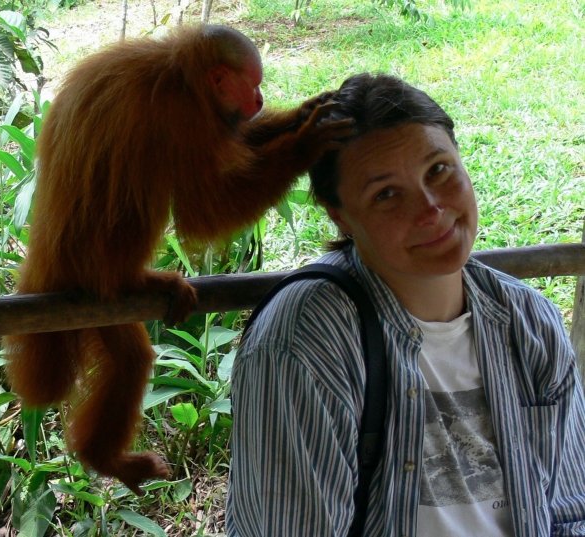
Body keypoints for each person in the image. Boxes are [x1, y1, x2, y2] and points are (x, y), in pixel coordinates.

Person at [225, 73, 585, 536]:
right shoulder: (307, 343)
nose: (431, 208)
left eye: (438, 170)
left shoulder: (528, 320)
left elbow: (569, 511)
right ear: (340, 215)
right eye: (387, 195)